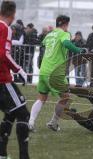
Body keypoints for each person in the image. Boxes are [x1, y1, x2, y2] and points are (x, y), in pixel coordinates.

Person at [28, 15, 83, 132]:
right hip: (54, 72)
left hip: (43, 70)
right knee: (66, 98)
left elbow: (43, 45)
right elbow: (66, 44)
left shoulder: (49, 34)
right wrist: (79, 51)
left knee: (41, 98)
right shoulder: (64, 33)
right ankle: (53, 123)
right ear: (66, 24)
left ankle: (30, 122)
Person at [0, 1, 30, 158]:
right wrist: (19, 70)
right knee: (23, 114)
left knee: (11, 113)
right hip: (3, 80)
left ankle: (2, 154)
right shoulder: (5, 28)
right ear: (12, 13)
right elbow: (4, 54)